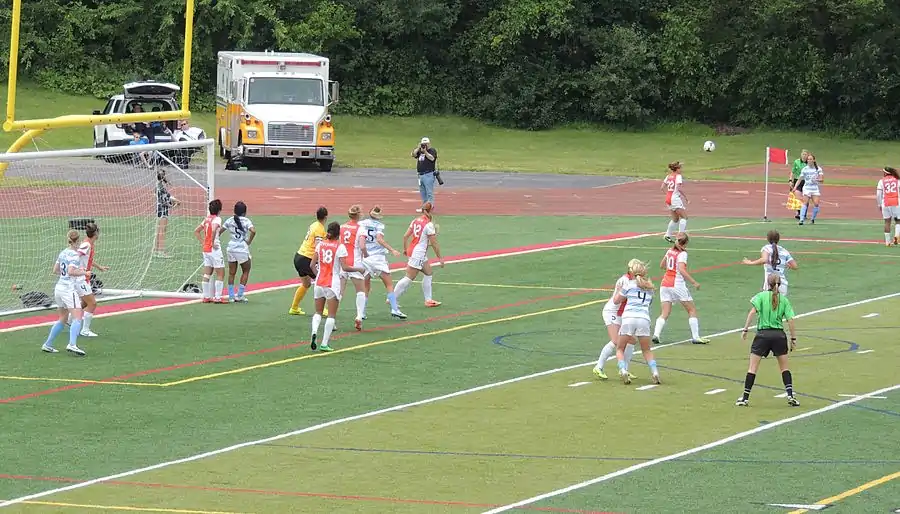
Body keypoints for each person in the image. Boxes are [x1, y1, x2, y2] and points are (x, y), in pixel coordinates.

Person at [737, 273, 800, 407]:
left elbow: (752, 312)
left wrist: (745, 329)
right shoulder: (784, 300)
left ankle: (745, 398)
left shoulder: (760, 296)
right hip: (779, 336)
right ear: (780, 285)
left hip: (762, 336)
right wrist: (793, 338)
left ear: (768, 284)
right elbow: (790, 320)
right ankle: (790, 395)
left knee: (752, 368)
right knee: (784, 368)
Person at [309, 221, 366, 352]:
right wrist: (359, 269)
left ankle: (314, 331)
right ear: (338, 233)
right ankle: (324, 343)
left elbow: (312, 265)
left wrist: (318, 276)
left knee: (318, 312)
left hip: (319, 282)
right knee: (331, 315)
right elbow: (345, 267)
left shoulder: (320, 245)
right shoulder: (340, 247)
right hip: (332, 283)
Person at [651, 232, 709, 345]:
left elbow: (662, 265)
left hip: (665, 284)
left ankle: (656, 334)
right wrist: (694, 282)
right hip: (677, 284)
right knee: (691, 310)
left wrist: (671, 269)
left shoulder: (669, 251)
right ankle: (696, 337)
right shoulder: (682, 254)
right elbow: (681, 270)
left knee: (664, 312)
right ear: (685, 243)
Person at [611, 259, 660, 385]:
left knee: (620, 348)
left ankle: (623, 370)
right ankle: (654, 372)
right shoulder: (649, 287)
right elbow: (649, 302)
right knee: (647, 350)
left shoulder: (628, 285)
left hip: (629, 318)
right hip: (644, 319)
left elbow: (616, 301)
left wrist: (619, 289)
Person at [41, 230, 87, 356]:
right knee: (78, 316)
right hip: (68, 290)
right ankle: (72, 344)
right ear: (78, 241)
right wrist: (84, 272)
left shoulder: (63, 252)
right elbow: (71, 271)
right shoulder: (75, 255)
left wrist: (66, 274)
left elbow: (55, 270)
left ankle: (48, 344)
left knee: (63, 318)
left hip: (59, 289)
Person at [358, 206, 406, 320]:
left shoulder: (362, 223)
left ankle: (362, 313)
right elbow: (379, 239)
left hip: (365, 257)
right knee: (389, 284)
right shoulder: (379, 225)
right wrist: (392, 250)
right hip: (378, 257)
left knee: (366, 286)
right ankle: (395, 309)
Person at [592, 261, 638, 380]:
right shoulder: (625, 281)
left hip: (620, 313)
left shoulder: (632, 281)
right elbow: (617, 300)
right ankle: (599, 367)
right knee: (616, 340)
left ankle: (624, 369)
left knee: (631, 340)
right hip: (612, 312)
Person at [394, 202, 445, 307]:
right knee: (409, 277)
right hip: (418, 254)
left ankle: (428, 300)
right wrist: (440, 258)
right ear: (431, 210)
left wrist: (405, 249)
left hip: (413, 250)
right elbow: (434, 243)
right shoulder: (429, 225)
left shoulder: (415, 220)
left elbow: (405, 236)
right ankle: (392, 298)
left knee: (428, 273)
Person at [289, 207, 328, 315]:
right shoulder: (320, 229)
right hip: (307, 259)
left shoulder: (313, 225)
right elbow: (318, 246)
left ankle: (294, 308)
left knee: (306, 284)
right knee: (322, 282)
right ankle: (322, 309)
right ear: (326, 217)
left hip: (298, 257)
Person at [74, 223, 110, 337]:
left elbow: (87, 259)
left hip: (84, 278)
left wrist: (99, 267)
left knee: (85, 302)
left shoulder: (89, 244)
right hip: (80, 278)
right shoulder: (86, 245)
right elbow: (76, 256)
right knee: (92, 303)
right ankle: (85, 330)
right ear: (96, 233)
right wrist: (76, 270)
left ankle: (70, 319)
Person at [338, 205, 368, 330]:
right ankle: (359, 316)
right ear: (359, 214)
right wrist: (366, 254)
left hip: (343, 262)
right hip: (355, 262)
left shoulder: (342, 227)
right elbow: (362, 246)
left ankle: (331, 318)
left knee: (339, 292)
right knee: (360, 290)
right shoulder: (361, 229)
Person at [742, 230, 797, 294]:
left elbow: (764, 260)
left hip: (770, 283)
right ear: (778, 239)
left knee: (767, 300)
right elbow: (795, 266)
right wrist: (785, 264)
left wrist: (750, 262)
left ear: (767, 238)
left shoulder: (766, 248)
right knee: (780, 300)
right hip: (782, 283)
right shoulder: (784, 251)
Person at [222, 201, 256, 302]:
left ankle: (231, 296)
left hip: (231, 248)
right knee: (246, 270)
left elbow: (220, 231)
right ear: (244, 212)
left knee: (231, 273)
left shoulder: (229, 220)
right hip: (241, 249)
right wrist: (249, 241)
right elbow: (253, 231)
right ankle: (240, 295)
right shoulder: (246, 221)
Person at [195, 199, 226, 303]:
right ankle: (217, 297)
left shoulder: (206, 219)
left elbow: (196, 231)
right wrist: (212, 242)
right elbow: (213, 229)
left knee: (207, 273)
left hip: (206, 249)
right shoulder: (217, 219)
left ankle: (206, 296)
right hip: (214, 250)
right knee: (220, 273)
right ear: (219, 210)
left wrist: (203, 242)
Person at [662, 161, 689, 242]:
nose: (681, 170)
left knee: (675, 219)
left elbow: (662, 187)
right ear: (677, 169)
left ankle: (667, 235)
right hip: (675, 199)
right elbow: (679, 188)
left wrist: (668, 194)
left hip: (668, 199)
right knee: (684, 217)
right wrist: (686, 198)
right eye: (680, 168)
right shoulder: (678, 176)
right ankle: (681, 236)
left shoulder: (668, 176)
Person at [155, 169, 178, 258]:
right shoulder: (160, 186)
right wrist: (171, 205)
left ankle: (156, 249)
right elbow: (163, 200)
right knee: (162, 230)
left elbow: (167, 196)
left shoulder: (159, 185)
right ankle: (161, 251)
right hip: (163, 209)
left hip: (159, 209)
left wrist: (175, 201)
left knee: (159, 230)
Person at [795, 153, 824, 225]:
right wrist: (795, 187)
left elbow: (822, 180)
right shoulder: (805, 169)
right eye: (808, 159)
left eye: (811, 159)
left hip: (814, 188)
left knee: (816, 204)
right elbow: (800, 179)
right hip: (807, 188)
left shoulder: (818, 169)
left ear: (814, 160)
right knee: (805, 202)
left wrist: (816, 180)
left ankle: (812, 219)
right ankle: (801, 219)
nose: (809, 161)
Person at [411, 137, 438, 212]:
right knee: (423, 192)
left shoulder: (432, 150)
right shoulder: (420, 151)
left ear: (429, 144)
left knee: (429, 192)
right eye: (423, 144)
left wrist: (425, 152)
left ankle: (430, 206)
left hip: (428, 174)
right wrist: (418, 148)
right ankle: (424, 207)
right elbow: (413, 155)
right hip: (420, 175)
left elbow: (432, 158)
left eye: (426, 144)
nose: (425, 145)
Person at [876, 166, 900, 246]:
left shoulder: (881, 181)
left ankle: (887, 242)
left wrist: (879, 204)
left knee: (887, 221)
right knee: (898, 220)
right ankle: (897, 236)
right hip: (896, 202)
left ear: (885, 173)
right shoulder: (897, 180)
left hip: (885, 203)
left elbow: (878, 194)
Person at [790, 149, 809, 219]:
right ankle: (799, 212)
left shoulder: (809, 162)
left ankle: (804, 213)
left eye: (805, 154)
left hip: (806, 181)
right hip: (797, 180)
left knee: (806, 197)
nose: (804, 156)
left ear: (808, 155)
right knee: (798, 197)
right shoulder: (796, 162)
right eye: (803, 154)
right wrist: (790, 181)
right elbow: (793, 172)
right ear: (801, 155)